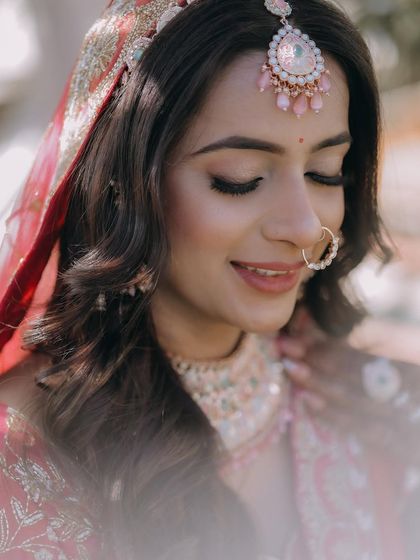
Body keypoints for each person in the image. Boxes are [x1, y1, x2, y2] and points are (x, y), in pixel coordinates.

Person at [0, 0, 419, 558]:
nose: (303, 226)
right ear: (126, 187)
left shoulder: (356, 395)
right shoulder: (23, 462)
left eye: (326, 172)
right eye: (238, 180)